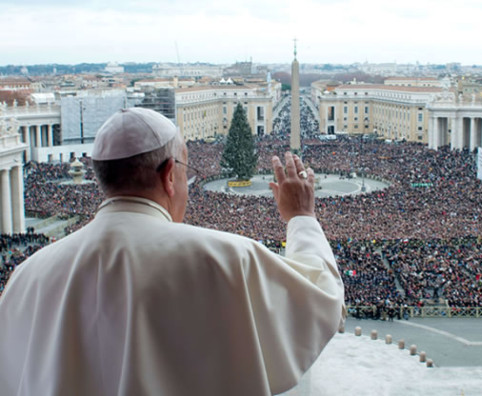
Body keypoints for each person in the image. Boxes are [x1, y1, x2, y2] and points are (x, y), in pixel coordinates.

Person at [0, 108, 345, 396]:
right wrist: (301, 217)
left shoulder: (25, 278)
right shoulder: (226, 259)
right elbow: (322, 298)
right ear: (169, 175)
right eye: (185, 171)